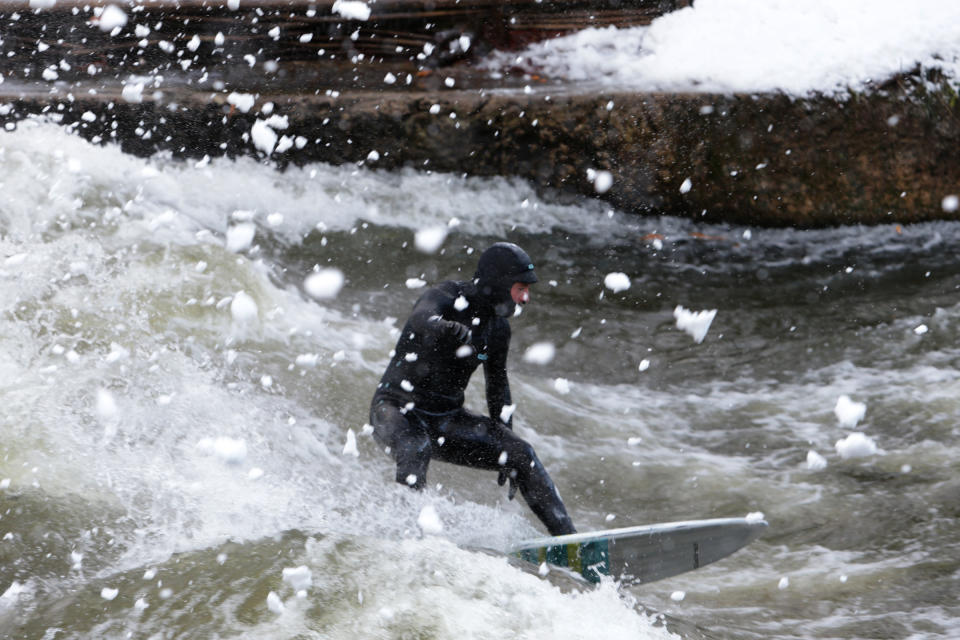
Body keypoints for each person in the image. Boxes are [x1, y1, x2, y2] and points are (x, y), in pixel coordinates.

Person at [369, 242, 576, 536]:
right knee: (416, 447)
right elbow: (420, 317)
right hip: (396, 410)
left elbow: (498, 387)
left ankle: (572, 543)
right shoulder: (445, 296)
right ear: (500, 283)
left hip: (446, 419)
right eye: (521, 288)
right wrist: (442, 327)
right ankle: (407, 536)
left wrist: (507, 445)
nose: (525, 298)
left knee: (522, 454)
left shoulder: (498, 328)